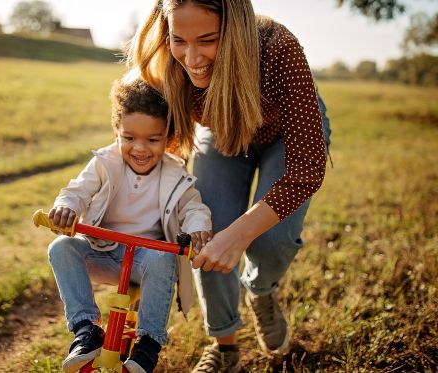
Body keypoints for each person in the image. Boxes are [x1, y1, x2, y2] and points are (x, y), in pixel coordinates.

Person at [126, 0, 332, 371]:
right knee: (206, 229)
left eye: (208, 40)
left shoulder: (278, 47)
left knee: (270, 240)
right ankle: (225, 346)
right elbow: (144, 146)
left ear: (235, 29)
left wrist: (238, 237)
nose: (191, 57)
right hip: (222, 132)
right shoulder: (165, 65)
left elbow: (305, 170)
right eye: (179, 40)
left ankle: (261, 289)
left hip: (285, 133)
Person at [47, 78, 212, 373]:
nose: (140, 148)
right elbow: (77, 190)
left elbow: (193, 207)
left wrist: (198, 226)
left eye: (153, 139)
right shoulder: (105, 162)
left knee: (163, 258)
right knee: (62, 247)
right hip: (103, 253)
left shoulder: (174, 173)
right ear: (117, 132)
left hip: (145, 261)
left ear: (168, 138)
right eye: (129, 137)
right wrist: (67, 207)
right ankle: (86, 329)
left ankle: (148, 343)